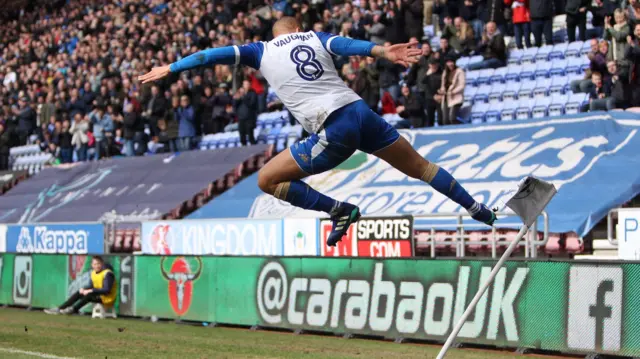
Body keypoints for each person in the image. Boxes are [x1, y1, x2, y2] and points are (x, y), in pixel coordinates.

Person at [139, 17, 498, 247]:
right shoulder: (314, 37)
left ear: (275, 34)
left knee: (267, 180)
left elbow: (207, 57)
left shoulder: (259, 51)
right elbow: (346, 44)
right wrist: (382, 52)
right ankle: (479, 209)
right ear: (297, 30)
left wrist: (171, 67)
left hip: (333, 127)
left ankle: (340, 210)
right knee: (421, 167)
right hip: (360, 112)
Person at [44, 256, 117, 315]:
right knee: (80, 292)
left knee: (89, 295)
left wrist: (90, 290)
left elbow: (107, 290)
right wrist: (84, 290)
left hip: (108, 299)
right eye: (95, 264)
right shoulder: (93, 273)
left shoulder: (107, 274)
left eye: (98, 264)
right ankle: (60, 308)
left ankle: (73, 309)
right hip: (99, 295)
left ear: (102, 264)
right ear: (92, 265)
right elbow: (92, 286)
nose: (97, 266)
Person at [439, 55, 466, 125]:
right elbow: (443, 85)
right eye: (448, 62)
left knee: (452, 118)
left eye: (451, 62)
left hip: (456, 98)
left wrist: (453, 92)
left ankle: (461, 128)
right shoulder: (445, 72)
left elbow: (462, 85)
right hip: (446, 98)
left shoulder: (459, 71)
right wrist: (441, 91)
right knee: (445, 120)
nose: (450, 64)